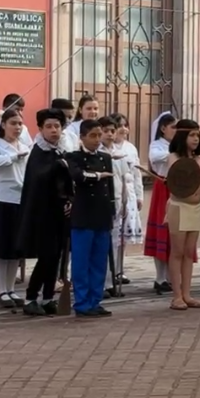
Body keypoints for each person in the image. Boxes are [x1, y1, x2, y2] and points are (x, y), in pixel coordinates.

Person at [18, 108, 73, 316]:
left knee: (57, 256)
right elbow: (39, 179)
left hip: (60, 212)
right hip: (42, 214)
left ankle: (48, 297)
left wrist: (69, 199)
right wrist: (60, 165)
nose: (53, 131)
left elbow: (67, 180)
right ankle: (31, 297)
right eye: (48, 127)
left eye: (57, 126)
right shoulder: (38, 153)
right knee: (47, 256)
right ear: (40, 129)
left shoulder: (61, 150)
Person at [164, 119, 200, 310]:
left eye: (198, 135)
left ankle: (187, 294)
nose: (196, 139)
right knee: (177, 252)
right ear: (182, 136)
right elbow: (179, 184)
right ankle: (176, 296)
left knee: (189, 252)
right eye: (192, 135)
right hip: (179, 208)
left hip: (195, 209)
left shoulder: (198, 159)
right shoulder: (173, 158)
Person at [65, 119, 115, 318]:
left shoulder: (105, 157)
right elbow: (77, 176)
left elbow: (110, 187)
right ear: (82, 137)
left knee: (99, 261)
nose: (96, 140)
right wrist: (97, 176)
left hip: (101, 214)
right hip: (83, 214)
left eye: (98, 135)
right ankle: (82, 302)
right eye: (92, 136)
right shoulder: (74, 156)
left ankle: (95, 300)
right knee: (81, 261)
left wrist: (112, 208)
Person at [0, 108, 31, 308]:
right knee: (0, 247)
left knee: (15, 248)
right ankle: (0, 290)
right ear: (3, 125)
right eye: (13, 123)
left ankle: (11, 289)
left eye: (20, 124)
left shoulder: (25, 146)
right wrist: (13, 156)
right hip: (1, 200)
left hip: (20, 200)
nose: (17, 127)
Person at [144, 111, 177, 295]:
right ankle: (160, 278)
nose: (176, 130)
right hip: (163, 187)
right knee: (161, 232)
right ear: (163, 128)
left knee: (176, 234)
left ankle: (173, 277)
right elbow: (157, 158)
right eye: (173, 127)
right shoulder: (157, 145)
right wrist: (175, 153)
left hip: (177, 187)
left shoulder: (177, 146)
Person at [98, 116, 130, 297]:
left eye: (112, 130)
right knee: (103, 243)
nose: (109, 134)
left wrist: (127, 201)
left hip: (118, 200)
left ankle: (111, 281)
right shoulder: (98, 153)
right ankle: (100, 283)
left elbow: (126, 179)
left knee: (115, 243)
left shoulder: (120, 152)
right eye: (106, 131)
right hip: (103, 202)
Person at [111, 113, 143, 249]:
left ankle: (119, 269)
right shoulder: (107, 147)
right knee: (113, 233)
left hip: (129, 193)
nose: (123, 129)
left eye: (125, 125)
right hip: (115, 192)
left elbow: (137, 173)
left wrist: (139, 195)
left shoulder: (131, 148)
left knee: (123, 238)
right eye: (119, 126)